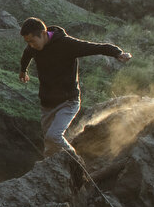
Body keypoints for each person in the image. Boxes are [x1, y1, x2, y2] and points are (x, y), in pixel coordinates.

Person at [17, 17, 131, 161]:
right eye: (28, 42)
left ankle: (77, 162)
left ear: (43, 33)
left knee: (54, 136)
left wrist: (117, 53)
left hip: (68, 101)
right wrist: (23, 71)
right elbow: (26, 55)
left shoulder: (67, 44)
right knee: (49, 144)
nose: (30, 45)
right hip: (47, 103)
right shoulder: (33, 48)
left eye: (32, 41)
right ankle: (53, 171)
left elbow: (95, 47)